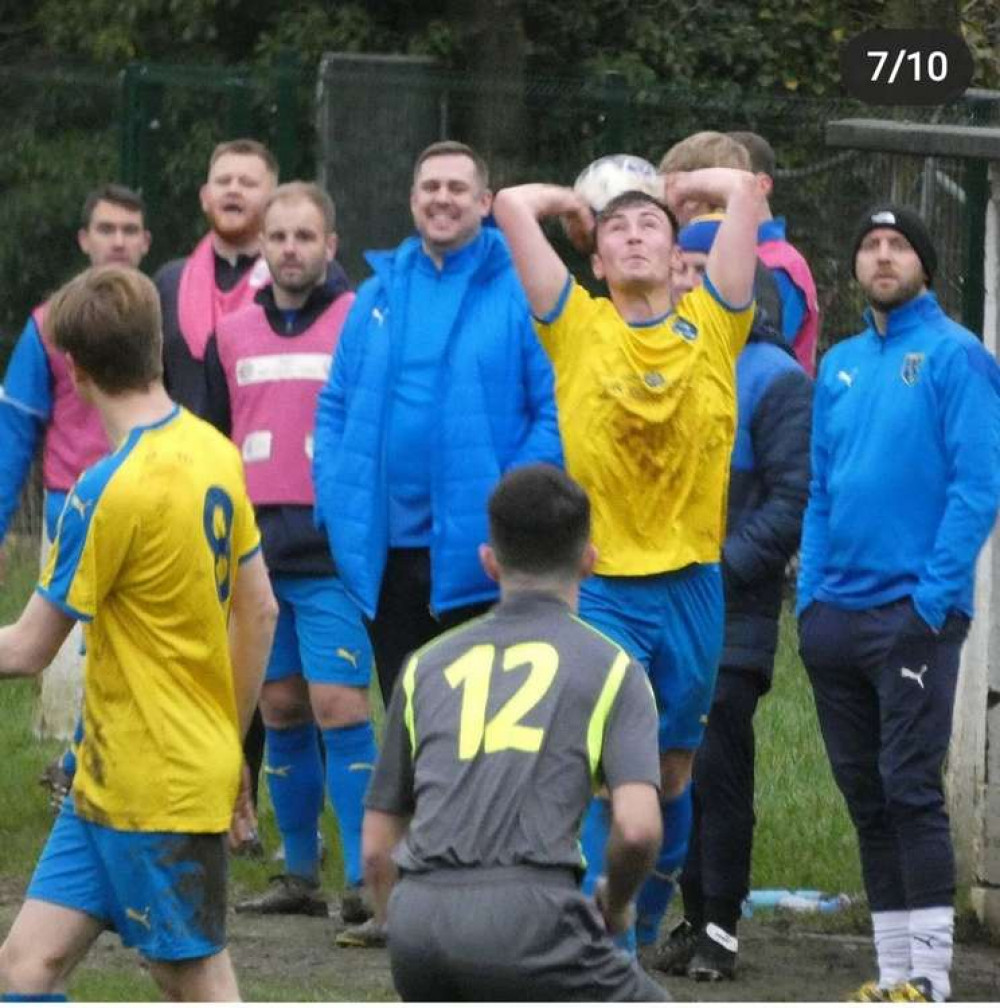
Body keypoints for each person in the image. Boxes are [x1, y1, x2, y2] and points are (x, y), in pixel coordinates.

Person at [492, 162, 764, 952]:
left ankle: (637, 929)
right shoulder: (575, 327)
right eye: (619, 229)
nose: (635, 233)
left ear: (683, 262)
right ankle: (588, 939)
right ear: (597, 262)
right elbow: (510, 204)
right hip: (604, 585)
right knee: (604, 769)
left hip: (691, 585)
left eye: (651, 227)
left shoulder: (715, 325)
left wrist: (677, 186)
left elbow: (747, 190)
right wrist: (577, 205)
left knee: (672, 771)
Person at [0, 265, 277, 1002]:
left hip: (155, 787)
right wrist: (230, 742)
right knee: (25, 968)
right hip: (108, 778)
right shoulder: (214, 448)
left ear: (74, 369)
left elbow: (27, 648)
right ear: (157, 349)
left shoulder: (106, 489)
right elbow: (261, 611)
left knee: (196, 984)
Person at [361, 464, 667, 1001]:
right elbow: (639, 829)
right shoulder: (614, 670)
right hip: (531, 918)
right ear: (590, 561)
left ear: (488, 562)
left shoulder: (423, 666)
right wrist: (616, 905)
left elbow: (376, 846)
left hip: (419, 923)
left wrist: (398, 925)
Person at [797, 205, 1000, 1003]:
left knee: (910, 787)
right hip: (833, 619)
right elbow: (819, 490)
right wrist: (809, 600)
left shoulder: (958, 358)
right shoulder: (841, 364)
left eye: (899, 245)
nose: (882, 256)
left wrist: (930, 603)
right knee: (867, 796)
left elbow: (977, 489)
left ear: (926, 265)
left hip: (913, 618)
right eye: (870, 244)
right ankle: (891, 975)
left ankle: (933, 977)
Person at [312, 140, 562, 711]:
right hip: (386, 551)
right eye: (430, 187)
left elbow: (552, 412)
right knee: (411, 724)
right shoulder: (375, 294)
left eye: (456, 188)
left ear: (485, 202)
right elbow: (334, 407)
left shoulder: (523, 290)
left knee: (484, 731)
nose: (442, 199)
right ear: (412, 200)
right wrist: (335, 496)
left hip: (483, 554)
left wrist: (508, 506)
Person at [204, 182, 378, 925]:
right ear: (263, 247)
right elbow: (212, 439)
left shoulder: (361, 321)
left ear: (331, 245)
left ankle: (371, 876)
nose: (291, 250)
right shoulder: (231, 333)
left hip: (334, 550)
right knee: (278, 708)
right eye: (278, 238)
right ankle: (298, 872)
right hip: (255, 557)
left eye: (306, 237)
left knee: (339, 707)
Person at [654, 213, 812, 980]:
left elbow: (790, 502)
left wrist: (711, 571)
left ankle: (721, 923)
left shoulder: (777, 379)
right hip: (658, 603)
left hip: (730, 608)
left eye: (701, 266)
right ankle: (686, 913)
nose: (687, 278)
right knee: (667, 761)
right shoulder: (656, 362)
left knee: (718, 763)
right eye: (680, 265)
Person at [0, 183, 151, 792]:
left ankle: (99, 774)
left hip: (152, 507)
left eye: (129, 230)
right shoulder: (48, 325)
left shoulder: (165, 315)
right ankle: (78, 772)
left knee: (136, 656)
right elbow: (16, 428)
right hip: (72, 510)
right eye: (106, 229)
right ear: (85, 240)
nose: (117, 240)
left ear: (145, 242)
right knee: (65, 664)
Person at [154, 138, 278, 423]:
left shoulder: (293, 284)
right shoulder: (168, 283)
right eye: (223, 181)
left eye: (247, 183)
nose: (233, 189)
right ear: (205, 197)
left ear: (273, 202)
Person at [727, 130, 820, 376]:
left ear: (762, 185)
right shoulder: (728, 252)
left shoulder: (781, 266)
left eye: (725, 181)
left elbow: (764, 350)